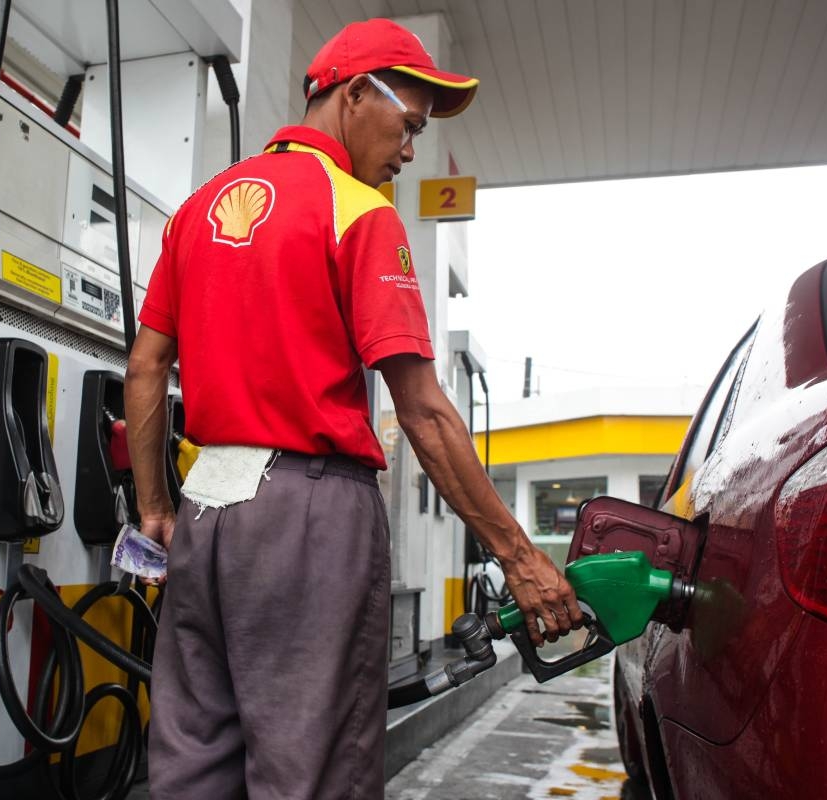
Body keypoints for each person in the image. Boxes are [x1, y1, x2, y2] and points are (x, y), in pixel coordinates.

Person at [124, 17, 582, 799]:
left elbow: (145, 368)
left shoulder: (194, 212)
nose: (409, 151)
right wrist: (520, 556)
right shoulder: (358, 213)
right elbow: (425, 412)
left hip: (203, 513)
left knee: (190, 763)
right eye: (407, 126)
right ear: (352, 94)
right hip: (308, 517)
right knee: (311, 769)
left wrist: (156, 508)